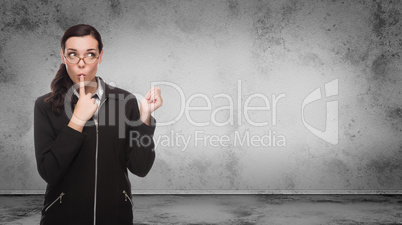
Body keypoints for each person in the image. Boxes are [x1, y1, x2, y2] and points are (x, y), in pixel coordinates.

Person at [33, 24, 163, 225]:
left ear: (100, 56)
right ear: (63, 56)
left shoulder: (125, 101)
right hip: (62, 218)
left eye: (90, 54)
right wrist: (77, 120)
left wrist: (144, 119)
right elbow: (49, 171)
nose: (81, 63)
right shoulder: (45, 105)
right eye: (73, 54)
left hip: (115, 217)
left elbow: (141, 167)